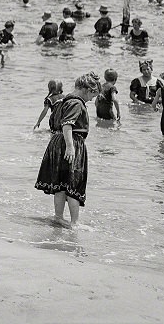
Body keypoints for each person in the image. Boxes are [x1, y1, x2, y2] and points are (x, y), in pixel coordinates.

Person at [35, 73, 100, 227]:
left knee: (61, 183)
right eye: (93, 94)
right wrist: (70, 147)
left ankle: (58, 217)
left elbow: (55, 123)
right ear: (86, 89)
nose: (92, 99)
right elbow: (67, 125)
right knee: (73, 183)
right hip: (70, 141)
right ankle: (75, 222)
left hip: (57, 141)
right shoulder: (77, 103)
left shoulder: (63, 100)